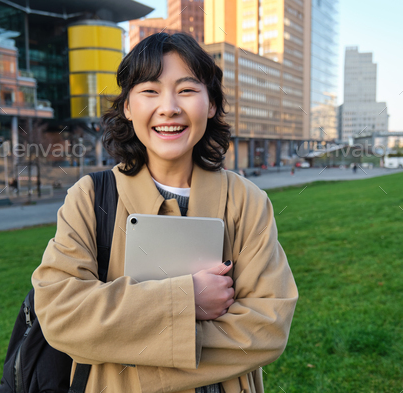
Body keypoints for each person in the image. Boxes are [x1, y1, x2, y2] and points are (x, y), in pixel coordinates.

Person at [31, 32, 298, 393]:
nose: (169, 107)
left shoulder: (246, 201)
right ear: (127, 106)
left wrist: (129, 357)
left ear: (212, 103)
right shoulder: (90, 198)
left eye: (187, 90)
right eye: (150, 91)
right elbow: (61, 313)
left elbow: (267, 328)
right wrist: (189, 299)